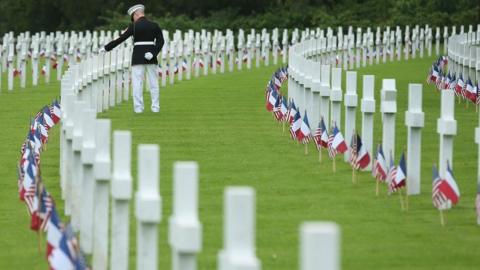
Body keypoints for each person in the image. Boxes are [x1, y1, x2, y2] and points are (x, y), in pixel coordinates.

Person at [100, 4, 164, 113]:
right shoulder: (155, 25)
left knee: (137, 83)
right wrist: (153, 53)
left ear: (136, 14)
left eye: (133, 16)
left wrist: (106, 48)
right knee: (153, 83)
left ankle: (138, 108)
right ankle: (155, 107)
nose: (133, 19)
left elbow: (121, 39)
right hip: (151, 58)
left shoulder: (133, 26)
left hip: (138, 57)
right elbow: (161, 42)